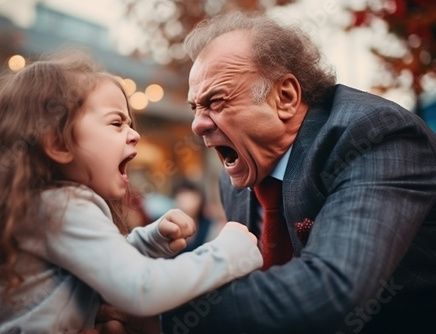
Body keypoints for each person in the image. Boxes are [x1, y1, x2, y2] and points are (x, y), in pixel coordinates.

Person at [0, 50, 263, 333]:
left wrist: (148, 241)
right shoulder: (63, 206)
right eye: (116, 123)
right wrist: (228, 253)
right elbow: (141, 288)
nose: (134, 134)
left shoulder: (42, 207)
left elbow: (87, 263)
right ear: (59, 143)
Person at [155, 11, 436, 334]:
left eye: (216, 101)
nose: (197, 124)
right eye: (195, 108)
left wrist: (160, 308)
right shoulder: (234, 180)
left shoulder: (376, 135)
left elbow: (332, 289)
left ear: (285, 98)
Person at [172, 179, 222, 253]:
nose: (187, 202)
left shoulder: (209, 226)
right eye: (182, 197)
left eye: (190, 197)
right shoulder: (171, 227)